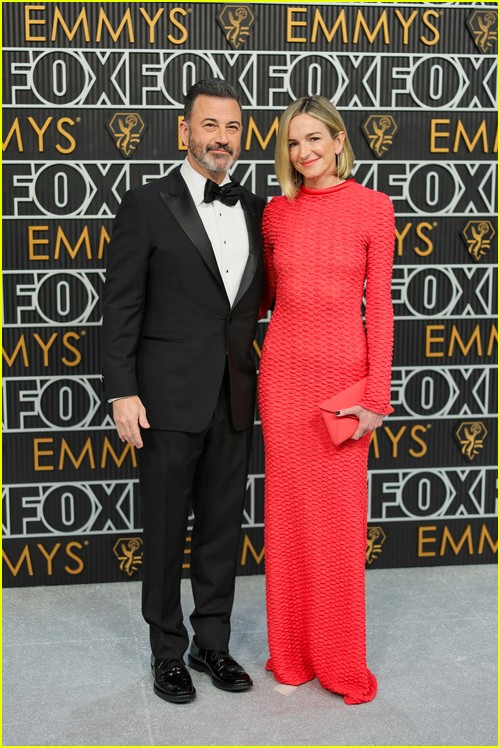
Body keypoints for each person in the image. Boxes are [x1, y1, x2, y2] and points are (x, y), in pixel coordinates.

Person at [101, 79, 264, 704]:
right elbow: (120, 307)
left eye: (232, 128)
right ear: (184, 131)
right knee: (167, 530)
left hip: (234, 394)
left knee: (223, 527)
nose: (221, 139)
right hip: (164, 396)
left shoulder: (254, 207)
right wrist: (122, 391)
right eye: (210, 126)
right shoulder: (146, 204)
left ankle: (212, 643)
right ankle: (167, 651)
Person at [258, 95, 395, 705]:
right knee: (287, 520)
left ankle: (339, 660)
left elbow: (383, 309)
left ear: (339, 140)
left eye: (315, 138)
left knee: (338, 527)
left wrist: (377, 396)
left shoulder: (373, 208)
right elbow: (257, 301)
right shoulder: (275, 215)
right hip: (282, 378)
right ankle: (290, 653)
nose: (304, 152)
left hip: (343, 382)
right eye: (293, 142)